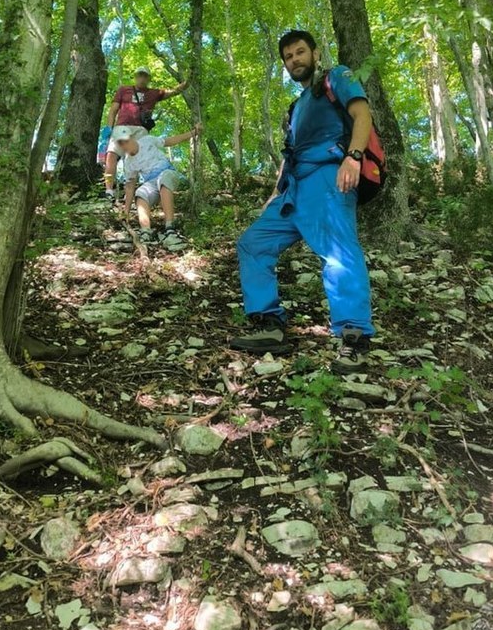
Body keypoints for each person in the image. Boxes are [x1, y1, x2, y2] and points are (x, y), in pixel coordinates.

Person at [230, 30, 375, 373]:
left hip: (328, 177)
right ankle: (270, 325)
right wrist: (275, 193)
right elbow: (290, 153)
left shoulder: (336, 76)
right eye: (288, 57)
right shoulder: (296, 107)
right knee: (253, 243)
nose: (294, 60)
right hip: (293, 191)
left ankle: (354, 338)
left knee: (338, 252)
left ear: (314, 52)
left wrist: (353, 156)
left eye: (299, 52)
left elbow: (362, 113)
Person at [99, 67, 189, 199]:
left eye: (145, 76)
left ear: (149, 78)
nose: (142, 78)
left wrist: (189, 80)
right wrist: (108, 128)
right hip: (122, 127)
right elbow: (113, 110)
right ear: (135, 76)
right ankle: (109, 191)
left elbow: (174, 91)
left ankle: (134, 192)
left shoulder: (154, 93)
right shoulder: (124, 90)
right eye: (139, 75)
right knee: (112, 155)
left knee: (139, 159)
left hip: (141, 129)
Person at [114, 123, 202, 249]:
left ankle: (170, 227)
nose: (124, 145)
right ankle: (146, 231)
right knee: (140, 193)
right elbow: (130, 186)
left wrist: (193, 133)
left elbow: (169, 141)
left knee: (163, 179)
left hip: (167, 172)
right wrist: (126, 211)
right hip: (151, 182)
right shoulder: (128, 162)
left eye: (125, 141)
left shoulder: (147, 141)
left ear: (131, 137)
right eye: (120, 143)